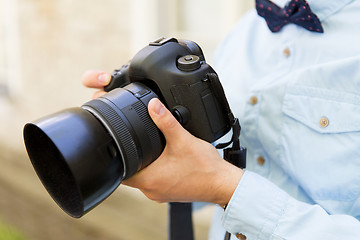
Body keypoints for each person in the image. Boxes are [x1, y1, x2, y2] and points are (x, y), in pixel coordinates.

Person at [82, 0, 360, 239]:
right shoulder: (245, 31)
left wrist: (225, 188)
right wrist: (144, 123)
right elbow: (208, 163)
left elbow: (218, 179)